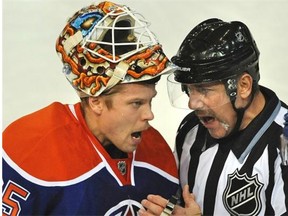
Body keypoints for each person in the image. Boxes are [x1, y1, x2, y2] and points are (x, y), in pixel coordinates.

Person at [2, 1, 180, 215]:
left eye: (150, 101)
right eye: (136, 103)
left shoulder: (157, 153)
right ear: (95, 101)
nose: (149, 115)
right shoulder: (32, 147)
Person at [140, 18, 288, 215]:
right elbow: (177, 200)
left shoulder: (283, 144)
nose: (193, 103)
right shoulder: (190, 129)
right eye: (189, 90)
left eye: (204, 89)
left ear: (243, 86)